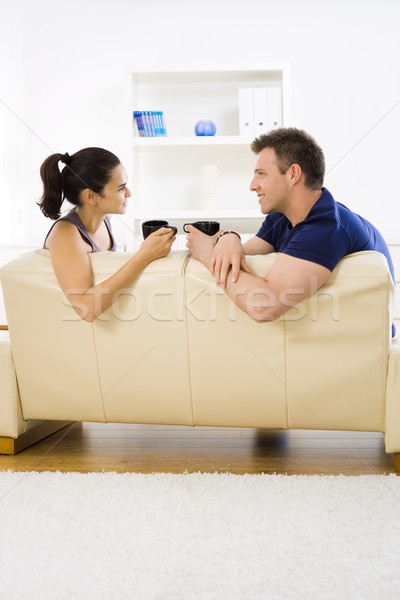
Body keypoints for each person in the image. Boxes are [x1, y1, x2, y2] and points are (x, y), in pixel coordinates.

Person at [186, 128, 395, 331]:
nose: (252, 185)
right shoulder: (282, 215)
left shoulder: (325, 228)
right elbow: (243, 255)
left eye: (262, 174)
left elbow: (264, 306)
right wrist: (229, 237)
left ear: (293, 174)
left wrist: (207, 254)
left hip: (358, 344)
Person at [38, 147, 176, 322]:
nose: (129, 193)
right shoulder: (65, 234)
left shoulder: (104, 218)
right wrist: (144, 255)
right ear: (91, 197)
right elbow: (85, 309)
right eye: (120, 188)